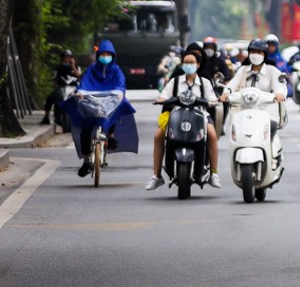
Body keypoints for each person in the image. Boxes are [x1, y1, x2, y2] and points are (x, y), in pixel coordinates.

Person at [148, 46, 221, 191]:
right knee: (158, 136)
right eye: (186, 62)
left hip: (201, 116)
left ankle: (213, 173)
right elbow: (164, 95)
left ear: (198, 64)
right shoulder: (174, 82)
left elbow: (212, 98)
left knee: (212, 134)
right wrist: (161, 99)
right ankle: (156, 176)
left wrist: (212, 101)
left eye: (192, 62)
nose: (189, 65)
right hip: (175, 115)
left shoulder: (205, 82)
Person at [68, 38, 138, 178]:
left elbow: (121, 84)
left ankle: (110, 135)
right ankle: (87, 160)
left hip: (110, 98)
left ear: (112, 55)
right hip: (93, 99)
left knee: (120, 107)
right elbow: (85, 83)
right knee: (86, 126)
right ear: (98, 55)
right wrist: (81, 92)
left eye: (108, 54)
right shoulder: (92, 69)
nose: (105, 57)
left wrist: (119, 94)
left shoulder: (116, 70)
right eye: (102, 54)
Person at [40, 49, 78, 124]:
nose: (67, 59)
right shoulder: (59, 67)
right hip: (61, 88)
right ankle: (46, 116)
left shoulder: (75, 67)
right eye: (65, 57)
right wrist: (55, 84)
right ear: (62, 58)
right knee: (49, 98)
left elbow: (78, 75)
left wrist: (73, 65)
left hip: (72, 88)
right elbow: (55, 77)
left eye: (69, 57)